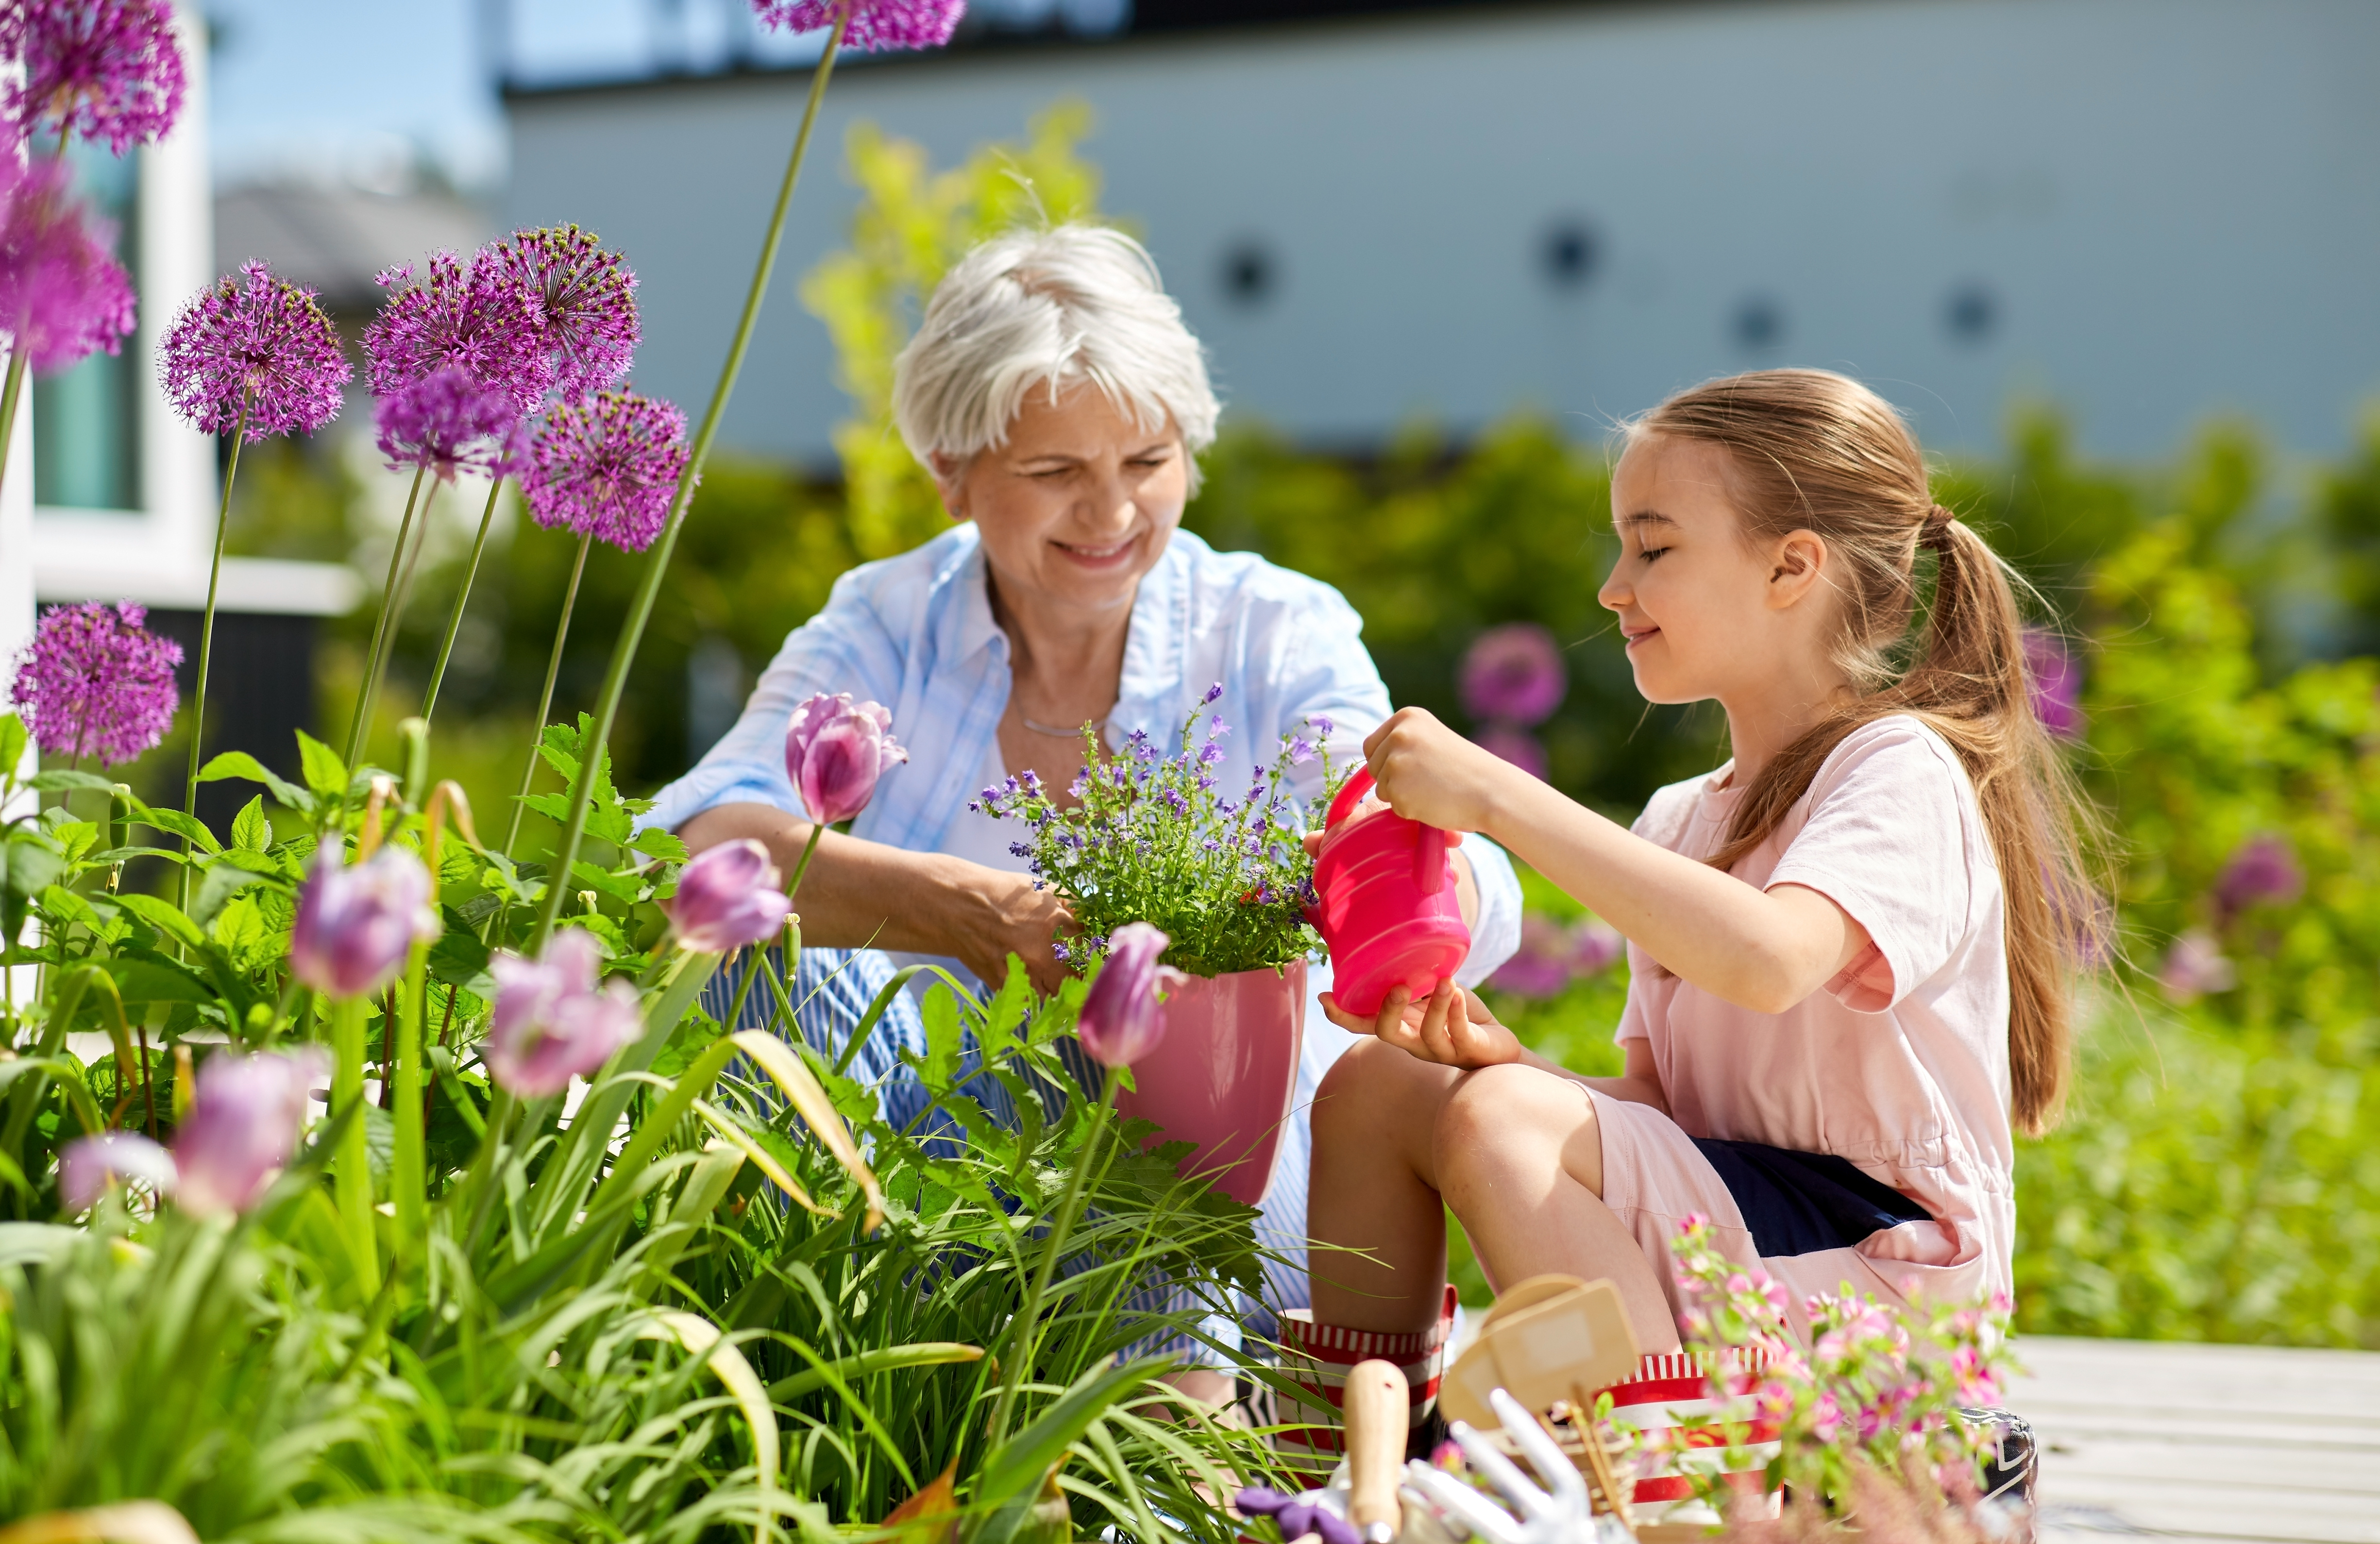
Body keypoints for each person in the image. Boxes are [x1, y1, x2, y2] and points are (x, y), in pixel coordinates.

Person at [642, 224, 1521, 1398]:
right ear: (952, 473)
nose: (1111, 512)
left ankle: (1146, 1483)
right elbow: (700, 843)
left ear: (1191, 460)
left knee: (1134, 1070)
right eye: (1056, 471)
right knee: (748, 938)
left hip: (1217, 1189)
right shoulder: (888, 618)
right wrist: (975, 913)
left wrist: (1394, 894)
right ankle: (822, 1372)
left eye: (1147, 462)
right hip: (926, 1175)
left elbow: (1407, 837)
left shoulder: (1272, 626)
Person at [1292, 368, 2091, 1434]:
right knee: (1380, 1082)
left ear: (1791, 566)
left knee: (1493, 1121)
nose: (1613, 588)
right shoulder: (1679, 816)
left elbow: (1768, 958)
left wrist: (1495, 792)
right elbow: (1667, 1108)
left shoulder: (1898, 768)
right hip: (1752, 1231)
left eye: (1654, 548)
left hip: (1886, 1279)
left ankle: (1653, 1497)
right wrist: (1507, 1061)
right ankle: (1353, 1472)